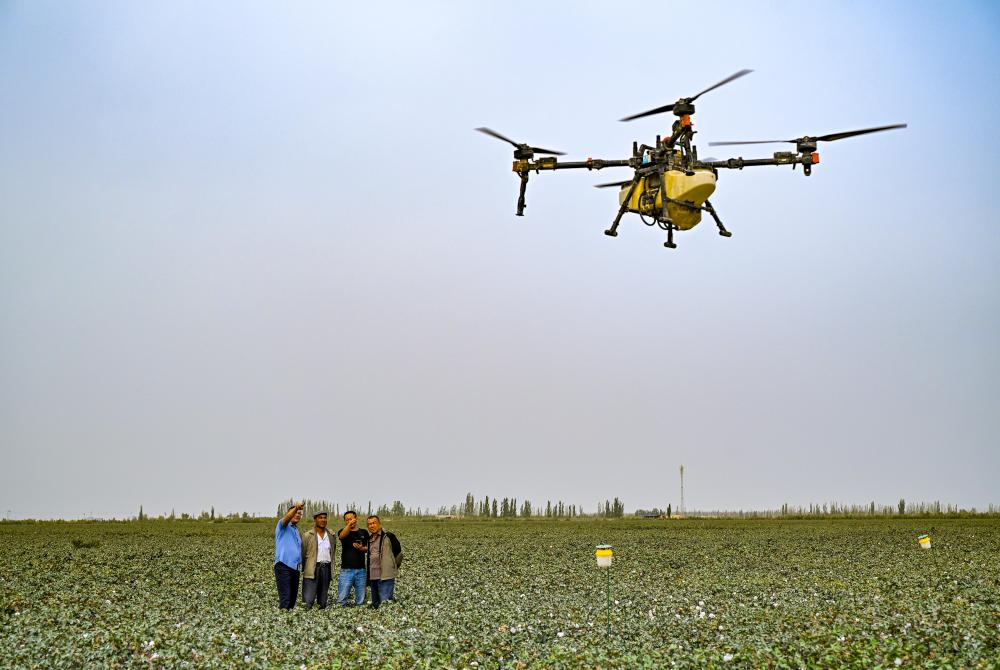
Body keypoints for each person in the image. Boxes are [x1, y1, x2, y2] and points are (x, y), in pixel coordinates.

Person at [365, 515, 402, 609]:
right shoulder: (369, 539)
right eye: (369, 524)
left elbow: (398, 553)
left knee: (385, 604)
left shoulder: (388, 536)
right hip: (373, 576)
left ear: (379, 524)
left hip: (385, 576)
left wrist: (391, 567)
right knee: (376, 604)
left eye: (374, 523)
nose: (371, 526)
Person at [301, 511, 334, 609]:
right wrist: (305, 567)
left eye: (325, 518)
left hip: (326, 568)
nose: (323, 520)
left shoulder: (331, 535)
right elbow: (303, 553)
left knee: (323, 600)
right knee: (308, 599)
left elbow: (333, 551)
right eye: (320, 518)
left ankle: (321, 614)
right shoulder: (307, 535)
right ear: (315, 519)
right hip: (312, 569)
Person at [274, 502, 304, 609]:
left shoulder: (296, 530)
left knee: (292, 600)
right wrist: (296, 507)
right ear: (289, 513)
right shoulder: (283, 525)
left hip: (295, 568)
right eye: (295, 513)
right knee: (285, 598)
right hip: (283, 566)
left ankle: (289, 617)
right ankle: (283, 618)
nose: (297, 515)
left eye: (299, 514)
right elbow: (287, 518)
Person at [336, 510, 369, 606]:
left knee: (361, 599)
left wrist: (362, 548)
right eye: (347, 520)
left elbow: (368, 548)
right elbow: (341, 536)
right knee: (342, 598)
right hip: (346, 570)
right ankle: (341, 611)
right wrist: (349, 525)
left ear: (356, 518)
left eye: (351, 519)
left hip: (361, 570)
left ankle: (359, 612)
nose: (349, 521)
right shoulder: (343, 531)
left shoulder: (364, 532)